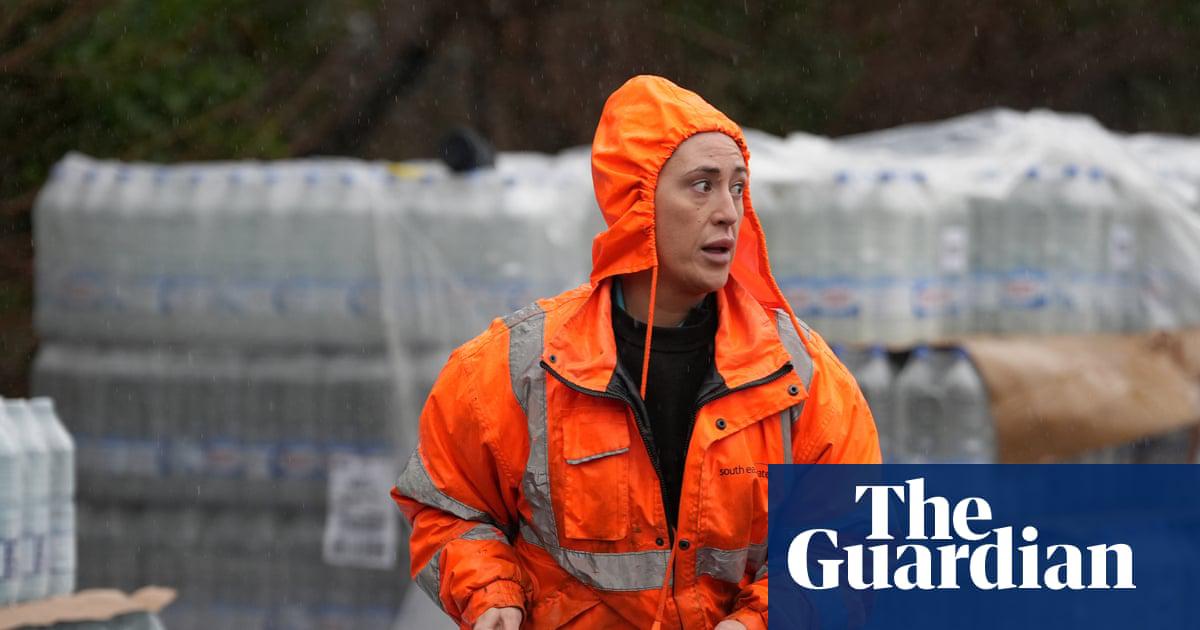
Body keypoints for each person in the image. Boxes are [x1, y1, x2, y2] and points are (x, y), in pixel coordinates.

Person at [392, 75, 881, 630]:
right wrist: (490, 594)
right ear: (637, 203)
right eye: (702, 185)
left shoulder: (801, 376)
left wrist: (758, 622)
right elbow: (447, 508)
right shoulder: (515, 368)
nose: (729, 211)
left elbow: (850, 542)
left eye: (738, 188)